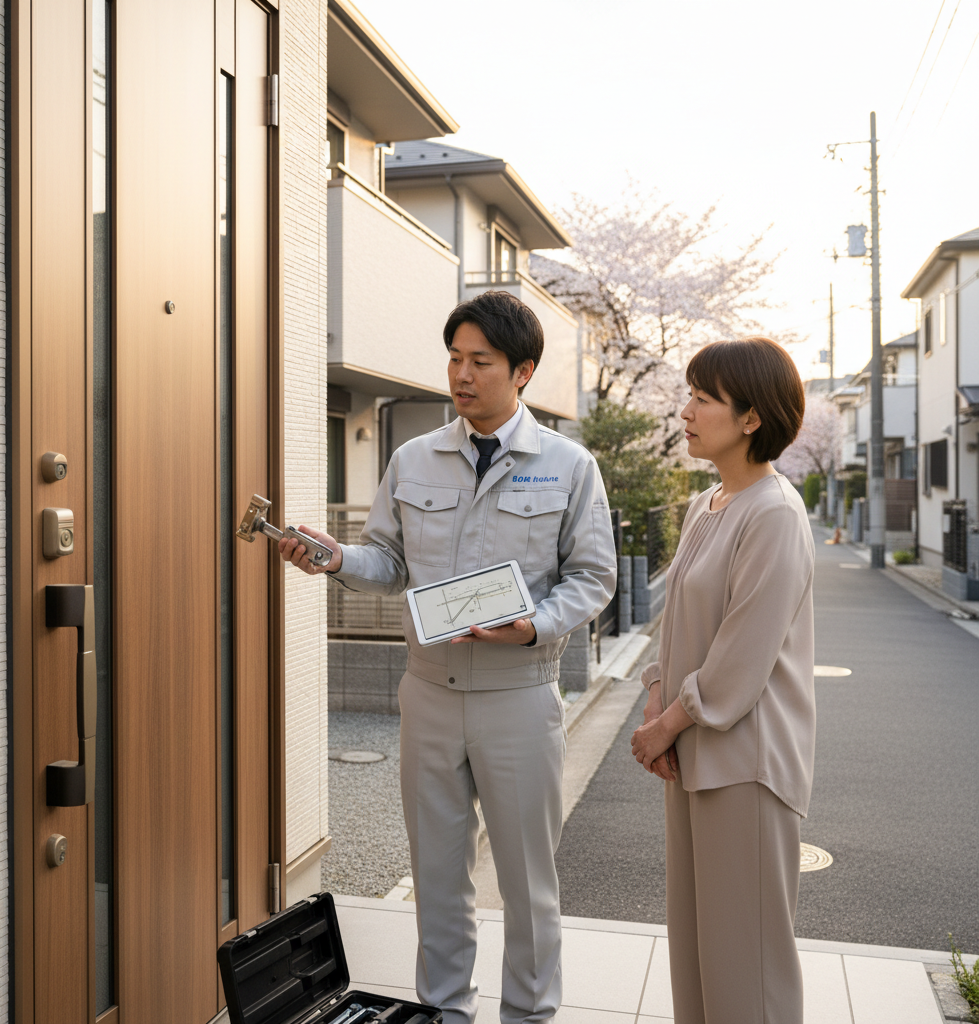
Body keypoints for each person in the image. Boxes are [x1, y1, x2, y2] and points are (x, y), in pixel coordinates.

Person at [281, 290, 617, 1024]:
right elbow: (389, 561)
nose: (461, 376)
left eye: (481, 362)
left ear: (521, 371)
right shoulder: (413, 459)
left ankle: (528, 1015)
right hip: (428, 693)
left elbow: (594, 577)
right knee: (437, 876)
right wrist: (335, 559)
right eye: (455, 359)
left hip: (520, 696)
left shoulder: (567, 465)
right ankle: (444, 1013)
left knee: (529, 884)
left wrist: (533, 627)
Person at [630, 336, 815, 1024]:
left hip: (746, 764)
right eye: (689, 393)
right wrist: (658, 699)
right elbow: (679, 622)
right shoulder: (706, 504)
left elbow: (742, 658)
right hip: (695, 753)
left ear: (750, 418)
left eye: (703, 398)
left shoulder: (774, 513)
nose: (685, 410)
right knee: (699, 954)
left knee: (750, 969)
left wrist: (664, 726)